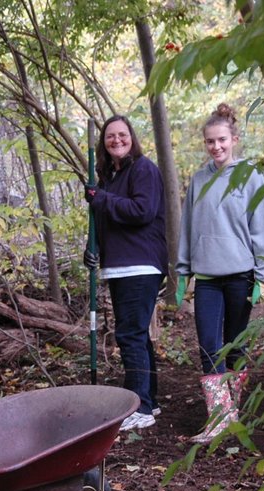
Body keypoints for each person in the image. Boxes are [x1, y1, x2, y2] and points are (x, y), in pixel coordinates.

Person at [175, 103, 264, 444]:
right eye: (209, 142)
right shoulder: (199, 179)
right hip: (207, 278)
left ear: (233, 139)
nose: (216, 147)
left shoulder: (250, 177)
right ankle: (220, 418)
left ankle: (232, 409)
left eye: (221, 140)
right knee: (208, 345)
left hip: (240, 276)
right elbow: (189, 226)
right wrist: (182, 272)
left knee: (236, 345)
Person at [84, 115, 168, 431]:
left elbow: (142, 211)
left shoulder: (143, 169)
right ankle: (151, 400)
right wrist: (92, 248)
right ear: (103, 143)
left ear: (131, 137)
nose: (116, 140)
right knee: (137, 335)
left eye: (122, 134)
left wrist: (101, 198)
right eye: (110, 136)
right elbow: (107, 219)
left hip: (140, 265)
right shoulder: (109, 177)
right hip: (118, 266)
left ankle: (140, 406)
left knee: (129, 335)